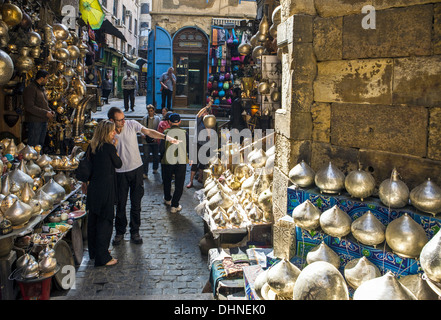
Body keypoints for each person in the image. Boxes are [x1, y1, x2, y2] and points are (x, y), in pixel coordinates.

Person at [108, 107, 180, 245]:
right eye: (120, 120)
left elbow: (149, 132)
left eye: (124, 118)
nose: (124, 121)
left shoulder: (131, 124)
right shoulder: (108, 131)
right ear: (112, 120)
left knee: (136, 203)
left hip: (136, 170)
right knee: (120, 204)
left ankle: (135, 232)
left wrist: (165, 137)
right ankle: (119, 232)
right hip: (119, 173)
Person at [85, 120, 122, 267]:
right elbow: (118, 164)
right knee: (105, 222)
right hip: (105, 189)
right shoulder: (108, 147)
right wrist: (115, 149)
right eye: (112, 131)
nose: (114, 133)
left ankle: (94, 253)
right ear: (106, 132)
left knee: (93, 222)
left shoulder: (92, 146)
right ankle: (103, 258)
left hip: (94, 187)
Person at [160, 113, 190, 213]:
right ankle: (175, 205)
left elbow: (161, 148)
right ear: (180, 122)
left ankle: (168, 199)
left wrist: (162, 159)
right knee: (179, 183)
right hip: (181, 161)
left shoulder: (165, 132)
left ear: (169, 122)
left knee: (167, 181)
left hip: (167, 161)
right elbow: (188, 147)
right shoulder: (185, 133)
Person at [23, 69, 55, 147]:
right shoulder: (31, 88)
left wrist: (50, 111)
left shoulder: (42, 89)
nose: (47, 80)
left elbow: (43, 104)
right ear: (41, 78)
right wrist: (45, 113)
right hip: (35, 122)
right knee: (34, 144)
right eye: (46, 78)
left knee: (40, 145)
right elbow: (29, 107)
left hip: (43, 120)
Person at [186, 98, 213, 188]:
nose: (205, 114)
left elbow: (209, 137)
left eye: (207, 113)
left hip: (205, 144)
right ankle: (190, 181)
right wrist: (207, 107)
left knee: (203, 162)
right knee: (194, 163)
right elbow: (199, 114)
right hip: (196, 144)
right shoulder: (199, 121)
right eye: (204, 113)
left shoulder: (209, 124)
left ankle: (200, 178)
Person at [141, 104, 161, 178]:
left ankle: (155, 168)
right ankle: (145, 172)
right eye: (149, 111)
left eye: (151, 111)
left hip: (155, 140)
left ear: (154, 111)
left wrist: (157, 137)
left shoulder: (158, 118)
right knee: (146, 156)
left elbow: (160, 129)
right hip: (146, 141)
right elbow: (140, 128)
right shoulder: (144, 119)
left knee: (155, 155)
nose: (150, 112)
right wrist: (142, 134)